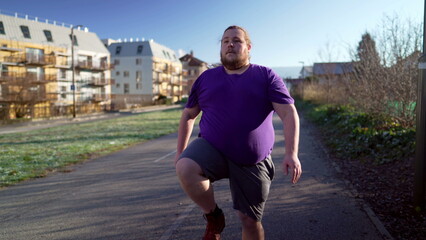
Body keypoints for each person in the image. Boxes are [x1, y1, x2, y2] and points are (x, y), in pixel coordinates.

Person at [174, 25, 302, 240]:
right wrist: (180, 152)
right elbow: (188, 115)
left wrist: (292, 153)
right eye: (225, 41)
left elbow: (289, 114)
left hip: (252, 159)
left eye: (236, 40)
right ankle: (213, 216)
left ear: (248, 47)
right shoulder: (206, 78)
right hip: (212, 148)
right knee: (185, 166)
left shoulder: (265, 76)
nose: (230, 44)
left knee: (250, 222)